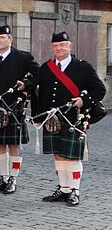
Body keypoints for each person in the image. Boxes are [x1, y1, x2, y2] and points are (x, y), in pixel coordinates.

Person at [36, 32, 105, 207]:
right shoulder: (46, 67)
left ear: (69, 46)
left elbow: (99, 89)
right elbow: (40, 94)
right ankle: (64, 189)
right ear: (52, 48)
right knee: (58, 154)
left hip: (74, 119)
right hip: (52, 119)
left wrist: (84, 100)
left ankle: (75, 191)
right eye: (55, 46)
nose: (59, 48)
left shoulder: (82, 67)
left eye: (62, 45)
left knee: (72, 156)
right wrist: (40, 117)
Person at [0, 24, 38, 195]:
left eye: (2, 37)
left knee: (13, 143)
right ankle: (3, 177)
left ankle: (13, 178)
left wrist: (26, 84)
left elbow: (38, 75)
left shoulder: (23, 58)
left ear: (10, 39)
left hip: (13, 107)